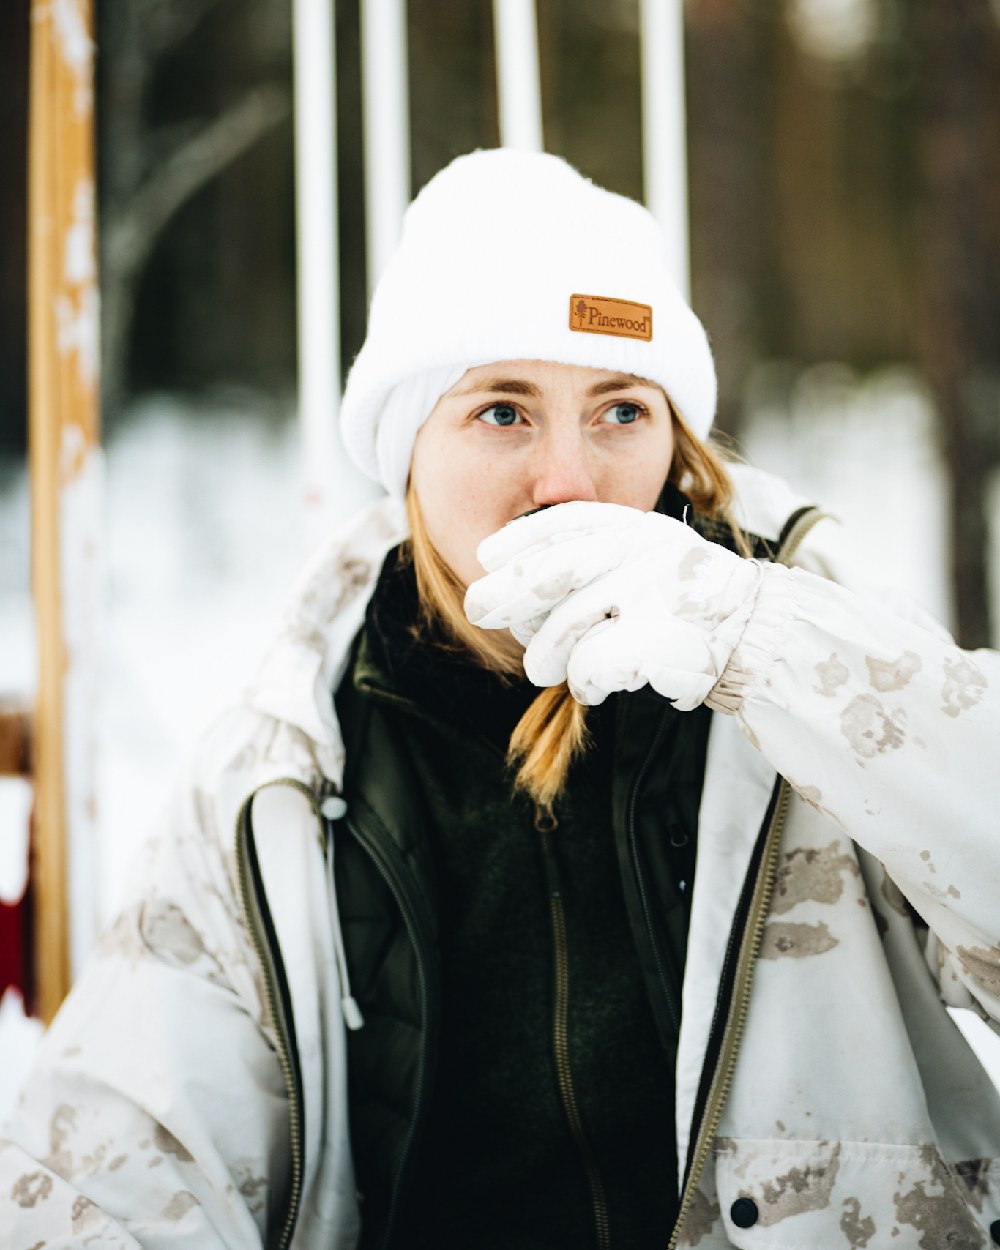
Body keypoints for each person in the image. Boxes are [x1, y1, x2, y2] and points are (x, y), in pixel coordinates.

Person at [2, 148, 999, 1250]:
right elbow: (110, 1168)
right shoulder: (282, 768)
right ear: (407, 450)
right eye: (502, 411)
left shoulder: (813, 657)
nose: (568, 478)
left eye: (620, 409)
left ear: (674, 443)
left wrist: (767, 646)